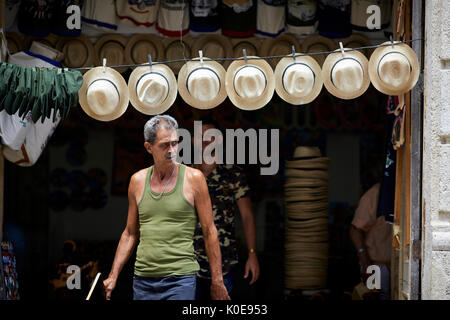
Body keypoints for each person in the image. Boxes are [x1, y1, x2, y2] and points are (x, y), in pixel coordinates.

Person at [103, 115, 229, 300]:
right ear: (149, 147)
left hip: (180, 278)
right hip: (143, 279)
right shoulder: (137, 181)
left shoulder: (194, 179)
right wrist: (113, 276)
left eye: (175, 143)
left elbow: (210, 231)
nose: (171, 150)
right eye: (164, 145)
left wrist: (217, 281)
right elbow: (130, 233)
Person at [192, 118, 260, 300]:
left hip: (224, 262)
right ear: (192, 140)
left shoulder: (233, 173)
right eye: (200, 135)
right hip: (188, 263)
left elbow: (247, 215)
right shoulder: (185, 174)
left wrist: (252, 254)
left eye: (210, 135)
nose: (205, 140)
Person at [349, 182, 392, 300]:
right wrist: (365, 263)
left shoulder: (407, 190)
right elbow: (355, 230)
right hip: (377, 266)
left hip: (400, 267)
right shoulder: (375, 194)